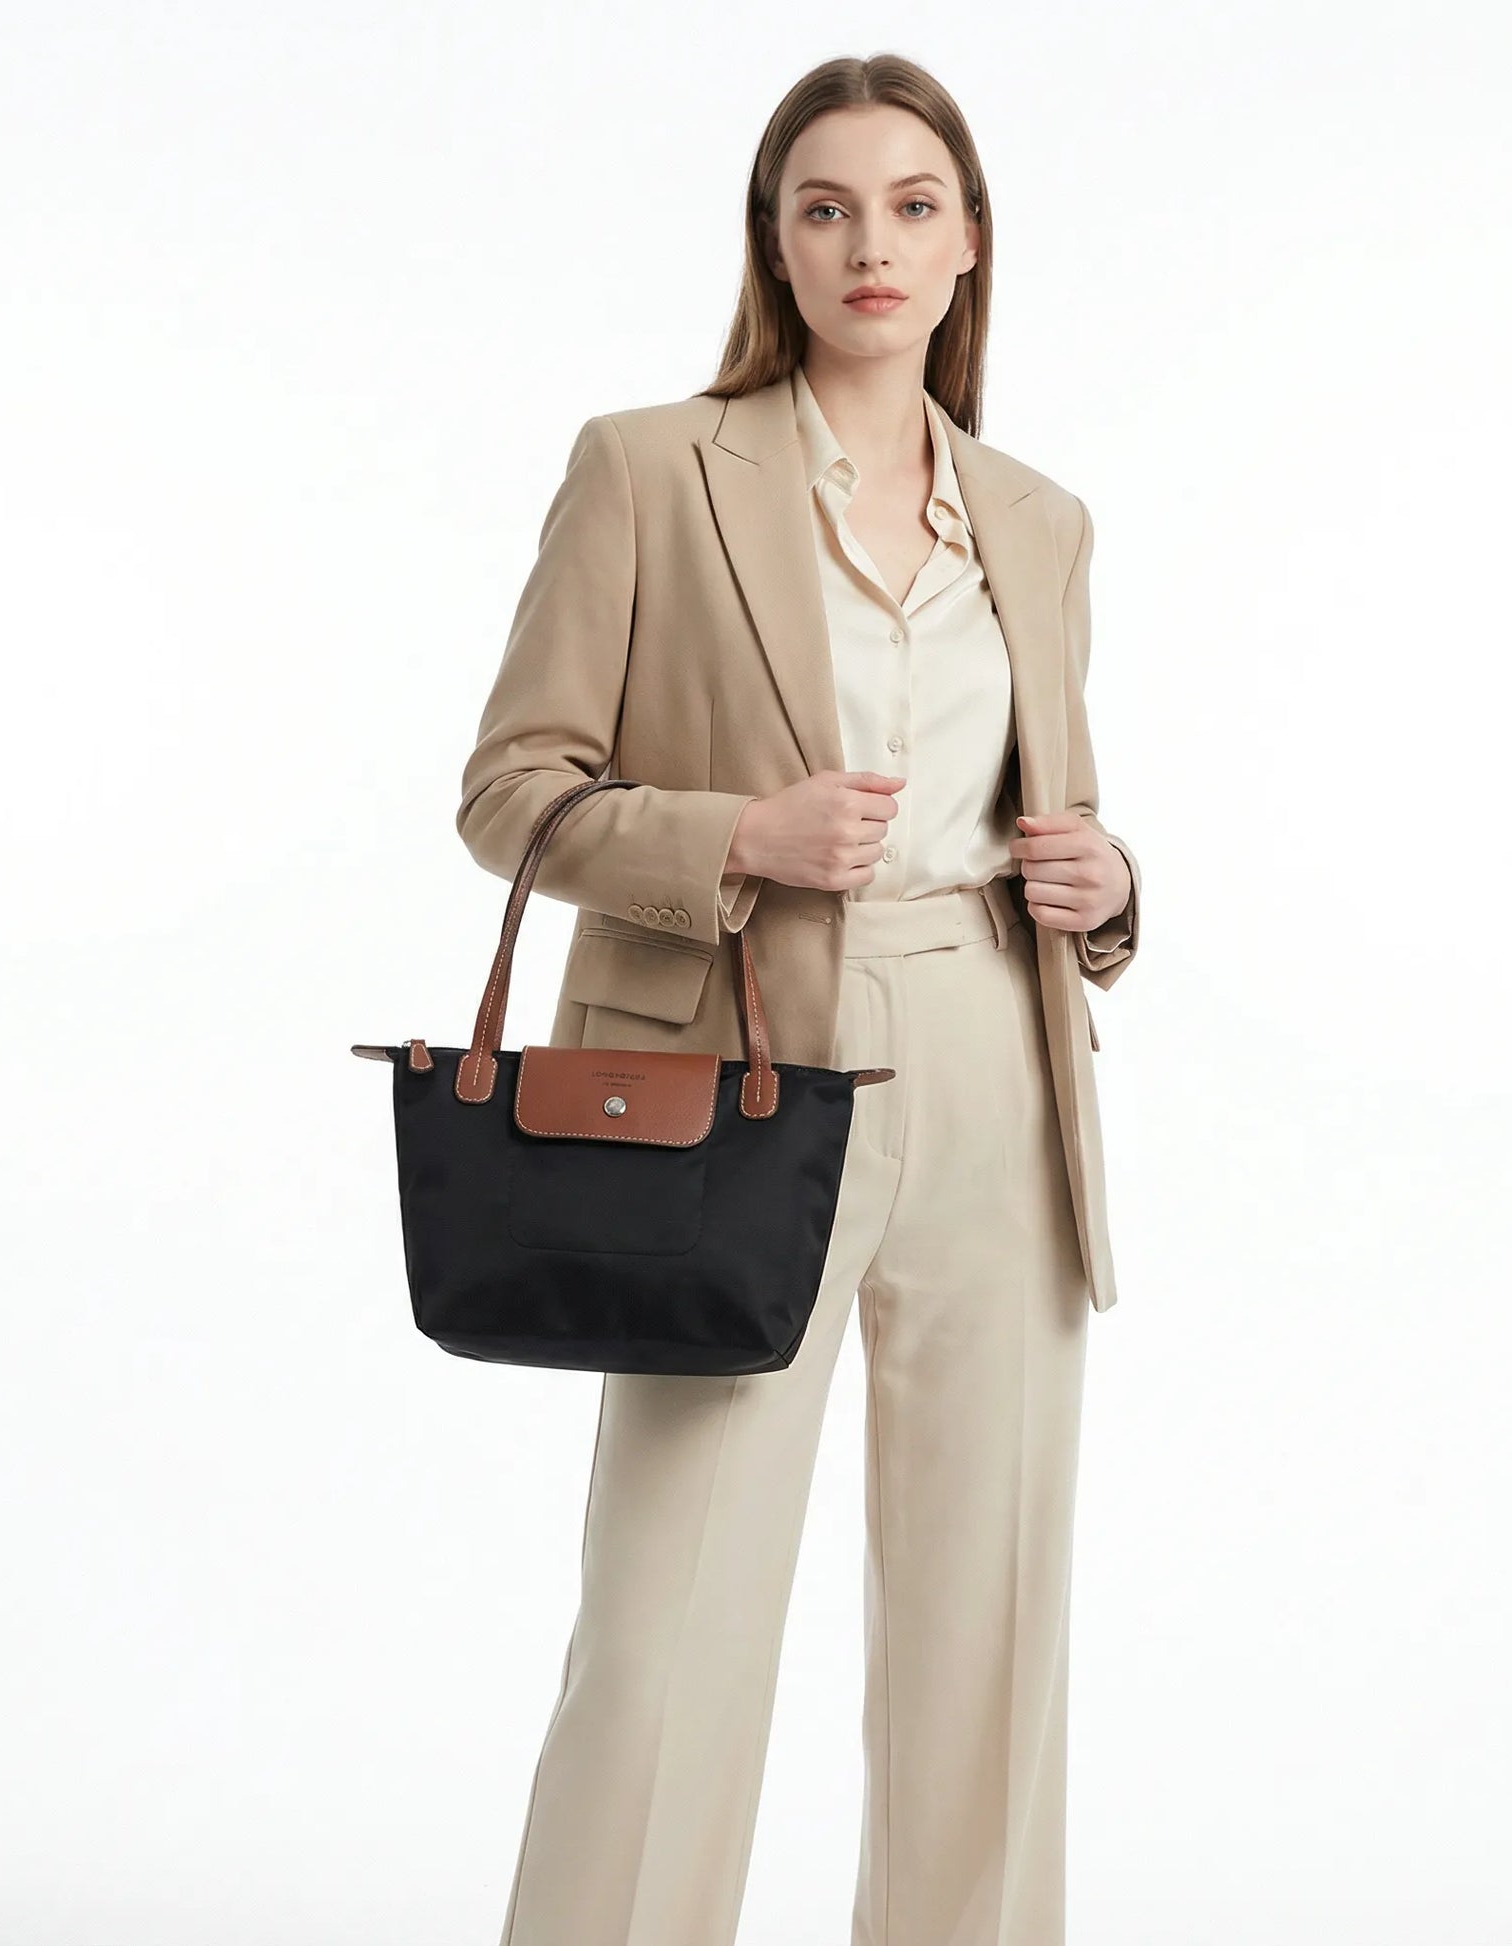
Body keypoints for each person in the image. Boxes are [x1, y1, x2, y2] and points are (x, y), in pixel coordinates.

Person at [454, 51, 1143, 1946]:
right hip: (734, 1074)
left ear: (969, 238)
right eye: (824, 207)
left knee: (986, 1627)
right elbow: (509, 792)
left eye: (912, 205)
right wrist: (735, 835)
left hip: (998, 1060)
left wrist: (1107, 885)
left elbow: (1046, 804)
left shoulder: (1038, 519)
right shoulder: (647, 470)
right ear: (773, 238)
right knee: (671, 1615)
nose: (869, 245)